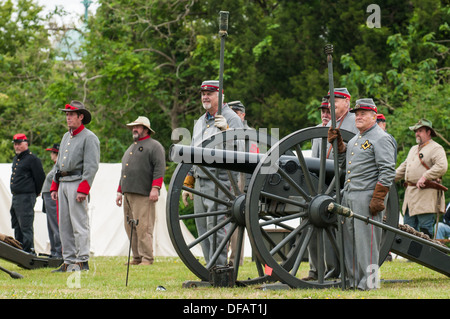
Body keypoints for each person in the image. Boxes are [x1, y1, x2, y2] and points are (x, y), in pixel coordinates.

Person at [329, 98, 396, 290]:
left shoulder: (381, 138)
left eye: (363, 114)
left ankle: (370, 283)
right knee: (349, 241)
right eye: (357, 113)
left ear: (374, 116)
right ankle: (352, 280)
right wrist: (339, 143)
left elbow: (387, 170)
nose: (358, 117)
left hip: (367, 197)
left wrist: (378, 198)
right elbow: (346, 162)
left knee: (367, 244)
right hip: (349, 195)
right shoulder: (357, 139)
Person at [182, 80, 244, 266]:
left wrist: (228, 130)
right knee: (203, 228)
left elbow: (242, 150)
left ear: (220, 94)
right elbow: (194, 151)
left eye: (210, 93)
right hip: (201, 179)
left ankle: (220, 268)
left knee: (215, 226)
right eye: (203, 94)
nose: (205, 97)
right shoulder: (200, 121)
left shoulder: (231, 118)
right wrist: (189, 182)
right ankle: (210, 268)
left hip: (219, 179)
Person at [50, 100, 100, 272]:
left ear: (81, 117)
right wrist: (54, 186)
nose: (68, 117)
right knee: (64, 225)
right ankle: (69, 261)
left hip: (77, 183)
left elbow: (91, 166)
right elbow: (58, 165)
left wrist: (84, 189)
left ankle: (82, 260)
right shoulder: (66, 136)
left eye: (71, 114)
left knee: (79, 224)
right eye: (66, 114)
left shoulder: (90, 137)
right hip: (63, 183)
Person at [116, 116, 166, 266]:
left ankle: (147, 258)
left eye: (137, 126)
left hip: (144, 193)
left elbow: (159, 169)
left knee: (144, 227)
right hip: (128, 193)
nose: (134, 129)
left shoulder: (154, 146)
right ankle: (137, 257)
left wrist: (155, 189)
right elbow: (124, 171)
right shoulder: (131, 148)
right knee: (130, 227)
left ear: (145, 129)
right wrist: (119, 191)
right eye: (133, 126)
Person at [395, 119, 448, 238]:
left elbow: (442, 166)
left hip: (426, 195)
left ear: (428, 132)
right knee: (408, 229)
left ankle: (427, 256)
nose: (417, 134)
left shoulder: (436, 148)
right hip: (410, 196)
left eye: (420, 131)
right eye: (416, 131)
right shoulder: (414, 149)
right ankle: (410, 257)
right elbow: (403, 168)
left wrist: (425, 176)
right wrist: (387, 180)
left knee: (425, 231)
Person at [9, 133, 46, 253]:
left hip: (26, 196)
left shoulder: (32, 159)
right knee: (16, 225)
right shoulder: (17, 159)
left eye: (19, 144)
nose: (17, 146)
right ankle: (19, 250)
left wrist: (35, 192)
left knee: (25, 225)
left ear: (26, 143)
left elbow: (40, 177)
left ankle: (29, 250)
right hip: (16, 196)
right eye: (15, 144)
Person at [324, 88, 359, 158]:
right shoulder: (328, 124)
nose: (330, 105)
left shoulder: (356, 121)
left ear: (346, 101)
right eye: (329, 102)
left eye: (334, 101)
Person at [42, 143, 62, 258]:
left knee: (55, 224)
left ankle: (59, 251)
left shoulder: (59, 166)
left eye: (53, 152)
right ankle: (54, 250)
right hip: (48, 197)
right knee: (51, 225)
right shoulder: (55, 166)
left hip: (52, 197)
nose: (51, 155)